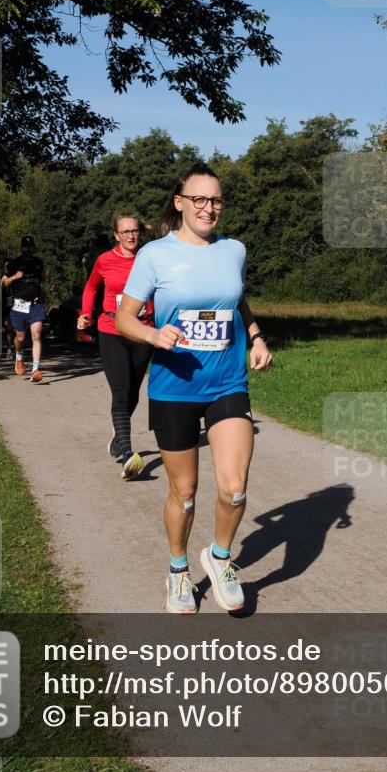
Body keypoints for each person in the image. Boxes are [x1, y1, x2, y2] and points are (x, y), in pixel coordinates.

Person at [116, 164, 273, 614]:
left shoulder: (234, 250)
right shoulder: (155, 255)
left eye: (216, 200)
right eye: (199, 199)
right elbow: (124, 318)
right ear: (180, 202)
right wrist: (152, 335)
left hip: (227, 383)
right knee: (184, 494)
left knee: (234, 488)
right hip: (175, 387)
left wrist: (257, 337)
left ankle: (220, 559)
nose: (209, 208)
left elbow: (236, 300)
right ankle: (178, 569)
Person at [78, 214, 154, 481]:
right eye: (125, 232)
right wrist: (85, 313)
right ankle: (128, 451)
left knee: (133, 392)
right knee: (120, 391)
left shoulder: (150, 258)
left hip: (143, 331)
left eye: (134, 231)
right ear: (116, 235)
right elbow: (91, 288)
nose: (131, 236)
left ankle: (118, 433)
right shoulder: (104, 260)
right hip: (112, 330)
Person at [2, 235, 47, 383]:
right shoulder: (14, 263)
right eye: (26, 247)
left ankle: (35, 370)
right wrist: (15, 277)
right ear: (21, 247)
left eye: (30, 247)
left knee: (36, 335)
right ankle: (19, 356)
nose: (28, 249)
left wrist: (44, 276)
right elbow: (3, 283)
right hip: (19, 304)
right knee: (20, 337)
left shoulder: (38, 262)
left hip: (36, 304)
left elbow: (43, 277)